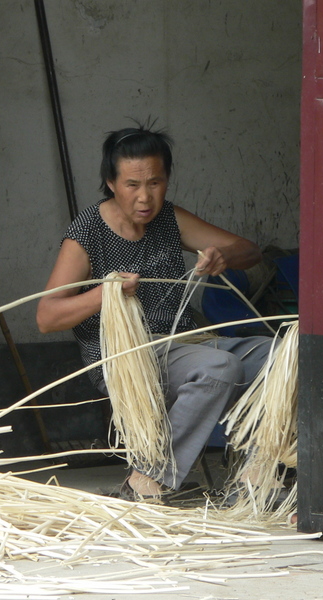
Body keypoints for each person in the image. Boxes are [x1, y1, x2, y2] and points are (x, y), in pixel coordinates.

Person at [36, 123, 275, 502]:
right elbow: (47, 317)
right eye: (133, 185)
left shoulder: (168, 219)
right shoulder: (87, 232)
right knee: (219, 369)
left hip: (184, 344)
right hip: (126, 356)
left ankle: (254, 479)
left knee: (277, 355)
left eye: (156, 183)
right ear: (111, 183)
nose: (145, 197)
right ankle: (145, 481)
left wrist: (223, 256)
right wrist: (106, 292)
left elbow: (250, 251)